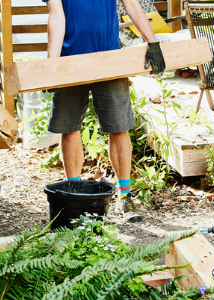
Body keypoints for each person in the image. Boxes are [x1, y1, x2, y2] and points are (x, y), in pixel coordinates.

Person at [45, 0, 166, 221]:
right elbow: (56, 16)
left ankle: (124, 196)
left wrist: (153, 42)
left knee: (119, 126)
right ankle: (74, 192)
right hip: (69, 61)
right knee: (69, 127)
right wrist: (52, 64)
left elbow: (132, 4)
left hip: (111, 59)